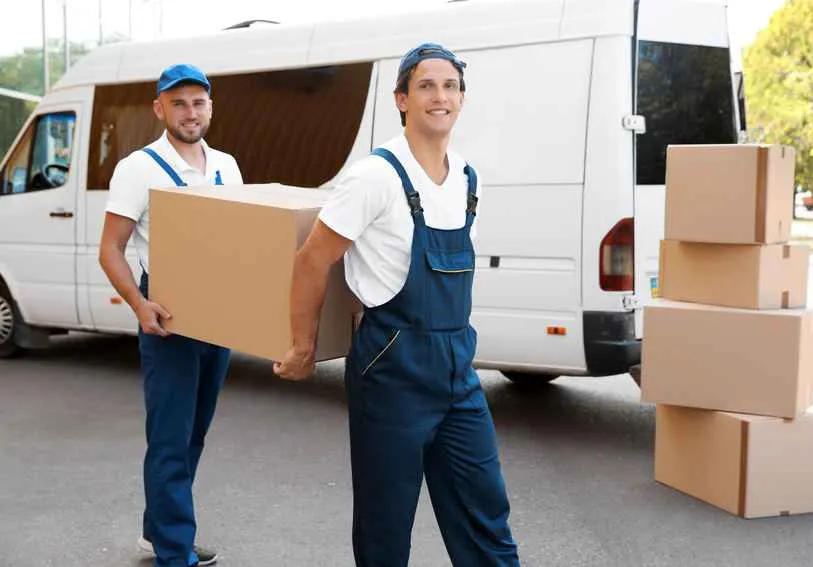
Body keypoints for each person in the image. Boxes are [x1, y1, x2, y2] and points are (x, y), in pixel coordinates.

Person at [274, 43, 521, 566]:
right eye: (427, 86)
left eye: (450, 86)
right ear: (402, 99)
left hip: (457, 370)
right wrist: (302, 347)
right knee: (386, 529)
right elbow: (311, 261)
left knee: (487, 518)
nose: (440, 96)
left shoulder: (467, 178)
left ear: (462, 99)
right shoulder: (374, 176)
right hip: (391, 368)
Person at [99, 63, 243, 567]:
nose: (190, 112)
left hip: (220, 313)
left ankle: (158, 532)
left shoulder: (226, 166)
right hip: (167, 312)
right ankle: (174, 552)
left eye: (198, 102)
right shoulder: (138, 167)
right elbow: (111, 250)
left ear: (210, 106)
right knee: (170, 437)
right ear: (159, 108)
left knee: (194, 432)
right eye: (178, 103)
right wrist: (140, 307)